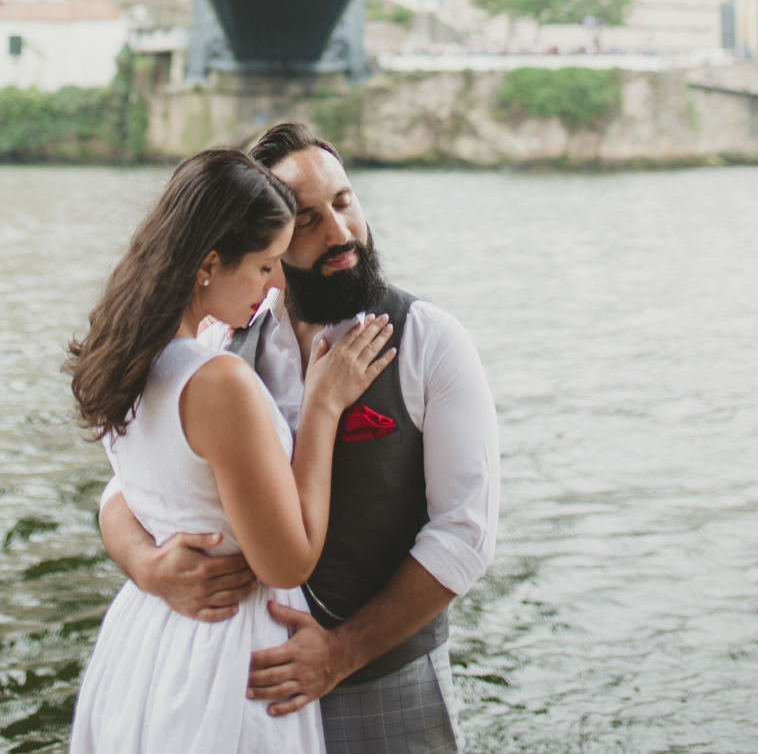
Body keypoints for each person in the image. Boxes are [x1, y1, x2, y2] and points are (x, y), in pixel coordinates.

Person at [101, 123, 500, 753]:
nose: (340, 234)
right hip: (239, 686)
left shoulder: (432, 339)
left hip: (385, 685)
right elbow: (130, 490)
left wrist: (340, 653)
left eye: (344, 202)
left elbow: (466, 533)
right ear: (269, 239)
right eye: (308, 220)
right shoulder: (216, 346)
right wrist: (148, 567)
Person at [66, 145, 398, 754]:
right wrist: (322, 409)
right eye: (266, 265)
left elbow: (138, 489)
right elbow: (287, 563)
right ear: (209, 265)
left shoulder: (124, 355)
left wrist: (143, 564)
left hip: (146, 636)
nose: (276, 284)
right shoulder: (217, 381)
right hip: (227, 655)